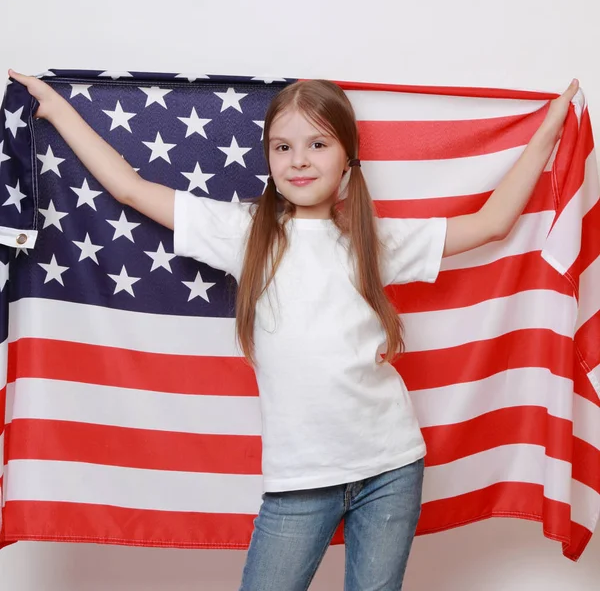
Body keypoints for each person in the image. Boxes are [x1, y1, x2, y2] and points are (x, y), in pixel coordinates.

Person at [8, 69, 579, 590]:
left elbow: (492, 223)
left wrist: (550, 127)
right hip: (300, 481)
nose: (299, 160)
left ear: (348, 159)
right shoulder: (245, 233)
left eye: (318, 144)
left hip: (391, 465)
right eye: (283, 147)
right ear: (269, 159)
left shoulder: (373, 244)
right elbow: (132, 189)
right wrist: (57, 109)